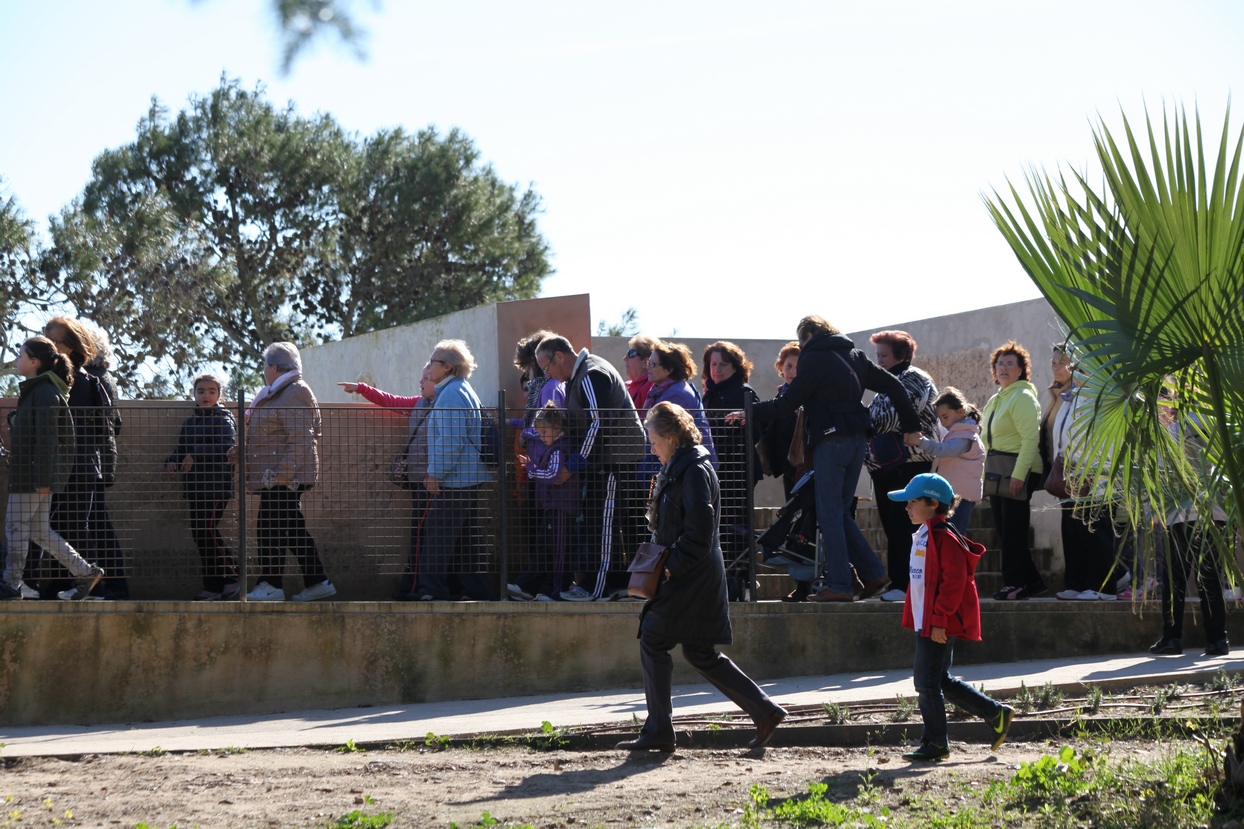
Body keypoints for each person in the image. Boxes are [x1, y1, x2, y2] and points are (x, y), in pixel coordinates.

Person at [616, 401, 787, 753]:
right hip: (694, 573)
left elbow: (699, 533)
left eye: (653, 438)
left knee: (653, 638)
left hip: (690, 575)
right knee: (698, 651)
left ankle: (659, 729)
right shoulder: (683, 465)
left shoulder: (692, 470)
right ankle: (765, 711)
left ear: (671, 436)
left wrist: (668, 567)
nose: (651, 446)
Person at [742, 316, 922, 603]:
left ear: (810, 335)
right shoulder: (855, 355)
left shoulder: (814, 357)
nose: (802, 347)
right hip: (858, 440)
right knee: (837, 511)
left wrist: (748, 411)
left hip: (831, 441)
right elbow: (896, 387)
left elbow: (787, 403)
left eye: (802, 340)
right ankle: (874, 574)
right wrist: (912, 426)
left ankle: (840, 584)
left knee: (828, 514)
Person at [886, 472, 1013, 762]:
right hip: (929, 621)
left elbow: (955, 583)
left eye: (912, 501)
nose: (906, 507)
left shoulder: (945, 538)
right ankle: (996, 714)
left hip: (937, 623)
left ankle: (936, 743)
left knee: (926, 682)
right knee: (938, 678)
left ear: (932, 503)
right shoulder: (926, 535)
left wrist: (939, 620)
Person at [536, 335, 645, 602]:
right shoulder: (579, 376)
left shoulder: (591, 373)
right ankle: (611, 583)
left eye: (546, 367)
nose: (547, 373)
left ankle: (597, 589)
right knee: (600, 522)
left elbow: (598, 423)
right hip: (603, 463)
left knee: (604, 524)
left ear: (559, 356)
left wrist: (571, 466)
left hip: (615, 463)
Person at [3, 336, 105, 601]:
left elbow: (49, 442)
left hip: (33, 479)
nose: (17, 359)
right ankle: (84, 572)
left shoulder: (45, 392)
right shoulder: (41, 391)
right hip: (35, 477)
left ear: (34, 361)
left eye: (21, 355)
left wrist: (43, 480)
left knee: (15, 528)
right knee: (39, 532)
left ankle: (10, 585)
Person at [236, 342, 336, 602]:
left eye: (265, 366)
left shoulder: (293, 392)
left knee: (270, 529)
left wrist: (283, 474)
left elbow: (302, 440)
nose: (264, 371)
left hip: (284, 478)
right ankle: (317, 582)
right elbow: (269, 436)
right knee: (290, 529)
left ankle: (272, 585)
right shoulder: (278, 392)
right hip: (279, 477)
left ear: (275, 367)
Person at [339, 367, 438, 600]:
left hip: (432, 482)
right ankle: (416, 586)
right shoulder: (420, 403)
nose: (420, 381)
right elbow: (391, 401)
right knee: (420, 534)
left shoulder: (446, 405)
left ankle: (417, 588)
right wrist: (362, 389)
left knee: (423, 535)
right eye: (421, 376)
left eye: (426, 378)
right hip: (418, 481)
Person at [39, 316, 112, 600]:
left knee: (74, 526)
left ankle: (92, 585)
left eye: (54, 342)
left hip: (78, 466)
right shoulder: (64, 378)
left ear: (70, 346)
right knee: (61, 526)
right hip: (69, 465)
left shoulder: (79, 381)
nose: (50, 347)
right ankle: (64, 585)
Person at [416, 339, 495, 601]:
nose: (429, 367)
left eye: (432, 362)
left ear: (447, 367)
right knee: (468, 541)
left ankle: (433, 592)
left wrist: (434, 473)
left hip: (456, 481)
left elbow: (450, 440)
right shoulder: (461, 389)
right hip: (468, 479)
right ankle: (478, 593)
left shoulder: (450, 394)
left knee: (437, 536)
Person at [867, 331, 939, 603]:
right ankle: (900, 581)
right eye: (878, 356)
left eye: (884, 355)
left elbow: (897, 414)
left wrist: (864, 423)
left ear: (902, 355)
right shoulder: (887, 383)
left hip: (909, 465)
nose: (880, 361)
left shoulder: (915, 378)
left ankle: (906, 584)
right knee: (893, 527)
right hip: (886, 466)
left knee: (905, 526)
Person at [981, 341, 1047, 601]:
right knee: (1004, 529)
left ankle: (1015, 584)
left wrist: (1020, 475)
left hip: (1018, 468)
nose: (1004, 368)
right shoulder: (997, 398)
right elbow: (987, 439)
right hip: (998, 469)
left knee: (1013, 531)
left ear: (1021, 370)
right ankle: (1034, 582)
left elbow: (1031, 440)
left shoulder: (1022, 397)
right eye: (999, 364)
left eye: (1010, 363)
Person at [165, 373, 239, 601]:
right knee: (201, 535)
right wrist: (172, 461)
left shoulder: (223, 418)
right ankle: (214, 586)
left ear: (219, 395)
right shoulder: (190, 422)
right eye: (201, 391)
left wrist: (195, 454)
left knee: (208, 532)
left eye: (211, 391)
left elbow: (227, 447)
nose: (206, 395)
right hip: (195, 487)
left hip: (216, 486)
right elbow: (181, 449)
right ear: (194, 394)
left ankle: (235, 577)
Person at [1050, 369, 1118, 602]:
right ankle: (1076, 584)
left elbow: (1103, 441)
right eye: (1076, 368)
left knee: (1097, 532)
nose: (1077, 373)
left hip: (1095, 477)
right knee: (1073, 531)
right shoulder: (1071, 397)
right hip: (1069, 475)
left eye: (1084, 368)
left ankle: (1104, 588)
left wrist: (1083, 466)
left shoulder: (1104, 397)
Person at [700, 341, 762, 594]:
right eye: (713, 364)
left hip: (739, 472)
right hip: (714, 472)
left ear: (736, 366)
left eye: (723, 364)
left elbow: (757, 430)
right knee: (718, 527)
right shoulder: (708, 393)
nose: (717, 369)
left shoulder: (743, 391)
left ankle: (741, 578)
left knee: (736, 527)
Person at [77, 319, 128, 599]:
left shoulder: (88, 378)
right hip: (101, 460)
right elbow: (115, 423)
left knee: (89, 525)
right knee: (97, 523)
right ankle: (115, 586)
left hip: (89, 460)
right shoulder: (107, 378)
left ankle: (105, 585)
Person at [510, 403, 578, 601]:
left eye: (544, 432)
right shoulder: (553, 443)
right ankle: (528, 586)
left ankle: (557, 591)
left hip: (561, 507)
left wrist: (531, 469)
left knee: (559, 550)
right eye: (539, 432)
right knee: (546, 547)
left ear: (557, 427)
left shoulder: (559, 449)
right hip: (552, 505)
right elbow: (531, 433)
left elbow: (551, 474)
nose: (541, 436)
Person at [640, 341, 716, 479]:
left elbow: (663, 433)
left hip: (686, 469)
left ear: (669, 369)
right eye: (648, 363)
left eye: (653, 364)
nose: (648, 368)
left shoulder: (676, 395)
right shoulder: (662, 390)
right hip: (677, 466)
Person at [919, 387, 984, 536]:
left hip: (961, 497)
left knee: (954, 537)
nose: (943, 422)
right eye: (940, 419)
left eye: (945, 416)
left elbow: (944, 451)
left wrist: (921, 442)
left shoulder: (965, 435)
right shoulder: (957, 433)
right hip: (953, 495)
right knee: (948, 535)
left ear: (960, 411)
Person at [623, 335, 659, 413]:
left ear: (645, 362)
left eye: (631, 353)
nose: (625, 359)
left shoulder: (651, 386)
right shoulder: (629, 386)